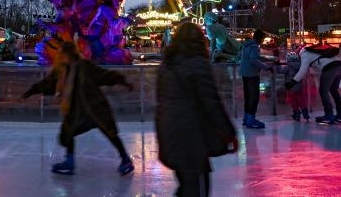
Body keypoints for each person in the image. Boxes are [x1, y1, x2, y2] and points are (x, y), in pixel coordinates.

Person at [21, 41, 134, 176]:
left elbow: (104, 75)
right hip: (77, 110)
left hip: (94, 107)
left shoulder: (84, 66)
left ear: (67, 54)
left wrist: (123, 81)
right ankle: (70, 162)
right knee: (69, 131)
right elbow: (50, 83)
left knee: (109, 132)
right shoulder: (62, 70)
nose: (59, 56)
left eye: (62, 53)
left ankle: (126, 159)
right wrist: (33, 90)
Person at [156, 22, 238, 197]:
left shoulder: (166, 65)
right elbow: (211, 102)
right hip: (190, 135)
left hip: (168, 130)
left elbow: (160, 99)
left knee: (186, 185)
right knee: (196, 188)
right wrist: (229, 132)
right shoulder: (198, 63)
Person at [287, 44, 341, 125]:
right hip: (339, 65)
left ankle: (329, 116)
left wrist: (292, 82)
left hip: (329, 68)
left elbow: (302, 71)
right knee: (334, 91)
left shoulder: (305, 54)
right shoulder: (313, 50)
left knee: (323, 91)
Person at [239, 29, 273, 129]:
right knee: (254, 98)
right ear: (260, 38)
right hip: (252, 74)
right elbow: (253, 59)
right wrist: (266, 67)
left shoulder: (247, 45)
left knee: (248, 97)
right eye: (262, 38)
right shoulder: (254, 46)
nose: (263, 41)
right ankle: (251, 120)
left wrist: (267, 59)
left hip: (244, 73)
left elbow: (255, 57)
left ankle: (246, 118)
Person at [277, 51, 309, 121]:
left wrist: (277, 64)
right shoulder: (301, 66)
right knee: (301, 100)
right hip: (299, 86)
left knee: (294, 101)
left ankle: (296, 114)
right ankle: (305, 114)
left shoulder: (288, 67)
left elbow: (280, 71)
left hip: (290, 87)